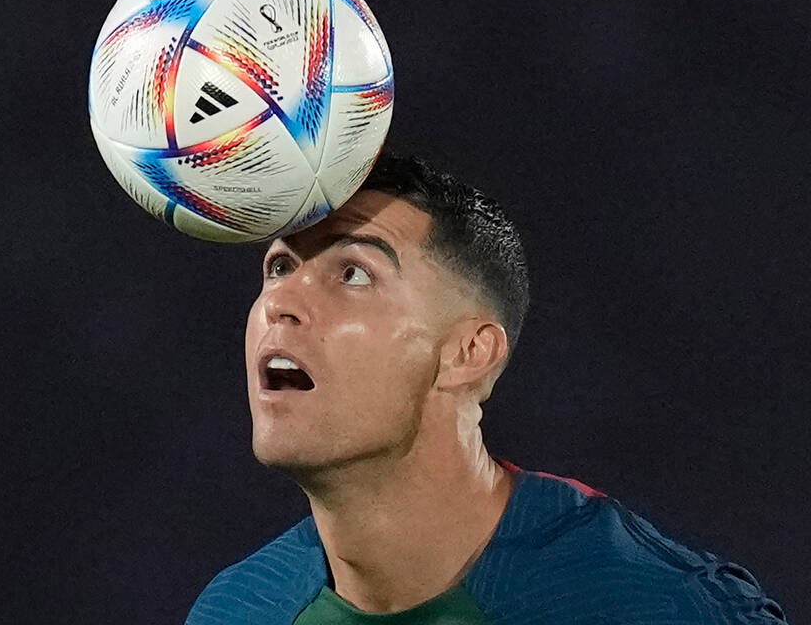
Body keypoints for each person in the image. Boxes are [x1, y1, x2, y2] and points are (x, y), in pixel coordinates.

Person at [186, 152, 786, 624]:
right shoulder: (239, 608)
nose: (280, 303)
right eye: (279, 267)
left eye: (353, 272)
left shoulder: (652, 606)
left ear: (468, 354)